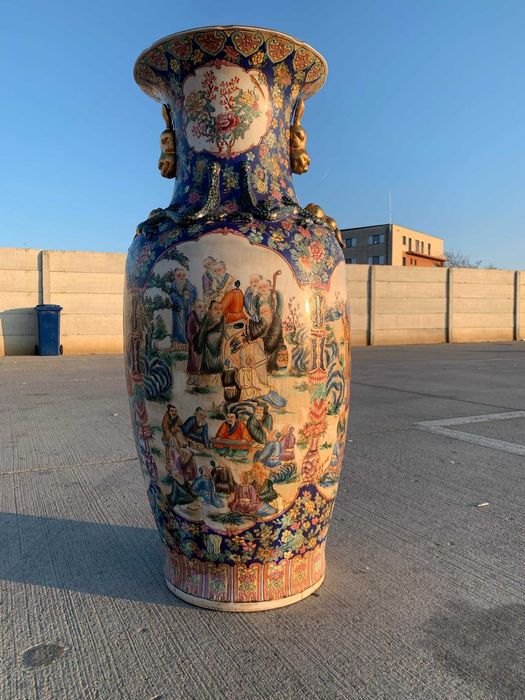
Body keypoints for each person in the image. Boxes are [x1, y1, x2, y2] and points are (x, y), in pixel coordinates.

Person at [194, 301, 226, 387]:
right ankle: (206, 384)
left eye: (220, 309)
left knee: (217, 366)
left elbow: (223, 333)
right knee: (208, 366)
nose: (218, 311)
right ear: (210, 310)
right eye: (215, 309)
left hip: (218, 347)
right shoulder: (207, 318)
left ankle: (217, 384)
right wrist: (199, 347)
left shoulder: (223, 318)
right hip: (208, 348)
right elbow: (201, 334)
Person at [169, 268, 197, 351]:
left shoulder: (187, 282)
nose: (181, 277)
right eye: (179, 275)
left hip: (187, 307)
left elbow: (194, 291)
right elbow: (172, 295)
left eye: (183, 275)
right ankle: (176, 345)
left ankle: (187, 344)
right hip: (178, 309)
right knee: (178, 326)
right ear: (175, 276)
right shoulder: (174, 284)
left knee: (187, 324)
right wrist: (181, 298)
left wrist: (189, 294)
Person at [185, 299, 206, 390]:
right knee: (194, 362)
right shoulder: (191, 316)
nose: (202, 309)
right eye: (200, 307)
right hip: (194, 343)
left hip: (202, 343)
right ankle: (192, 380)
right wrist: (191, 340)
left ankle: (199, 381)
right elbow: (188, 330)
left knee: (201, 362)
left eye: (204, 307)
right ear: (195, 307)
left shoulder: (204, 317)